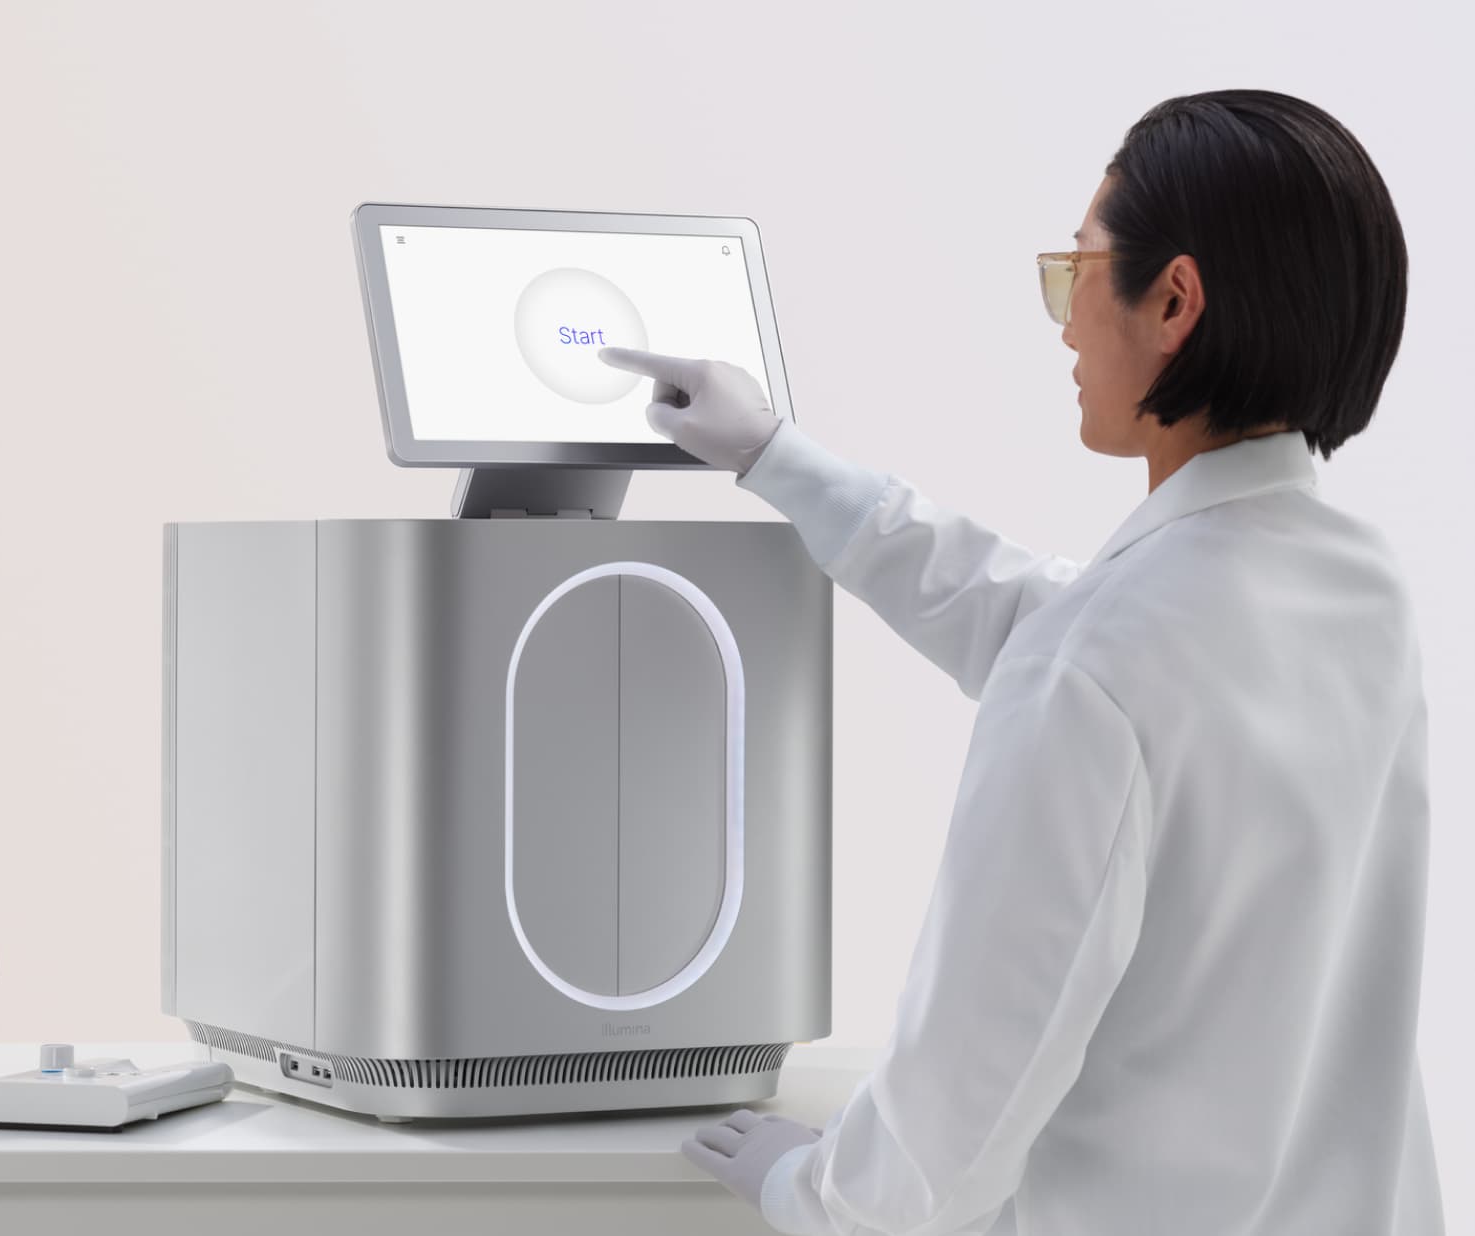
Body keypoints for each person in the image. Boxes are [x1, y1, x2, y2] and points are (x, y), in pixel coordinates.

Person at [599, 88, 1442, 1236]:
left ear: (1175, 301)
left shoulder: (1101, 663)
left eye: (1076, 270)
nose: (1064, 324)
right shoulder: (1361, 596)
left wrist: (811, 1185)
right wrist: (774, 454)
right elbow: (1041, 619)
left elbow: (949, 1134)